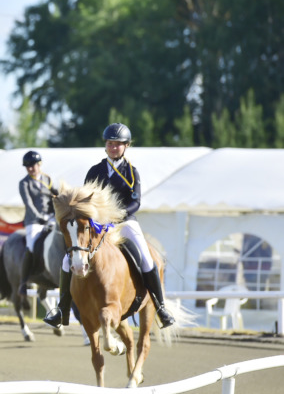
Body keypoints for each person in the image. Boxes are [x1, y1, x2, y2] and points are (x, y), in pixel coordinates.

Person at [43, 123, 175, 329]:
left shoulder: (132, 172)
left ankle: (161, 307)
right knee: (66, 260)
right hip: (98, 224)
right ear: (105, 145)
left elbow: (135, 202)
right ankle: (62, 309)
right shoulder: (95, 171)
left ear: (126, 146)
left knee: (147, 258)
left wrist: (117, 216)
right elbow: (84, 200)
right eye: (110, 143)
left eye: (118, 144)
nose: (113, 147)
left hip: (125, 222)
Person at [17, 150, 58, 296]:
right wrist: (41, 217)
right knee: (32, 246)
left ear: (39, 165)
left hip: (51, 218)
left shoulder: (47, 179)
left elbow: (57, 195)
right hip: (34, 221)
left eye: (32, 165)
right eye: (27, 166)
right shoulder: (24, 183)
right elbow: (29, 204)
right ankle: (24, 281)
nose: (30, 168)